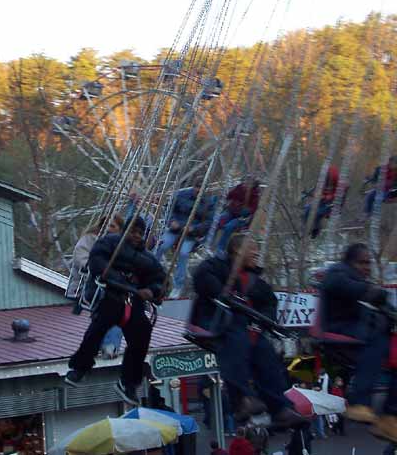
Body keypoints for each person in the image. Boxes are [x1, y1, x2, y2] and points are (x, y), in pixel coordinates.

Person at [192, 233, 305, 428]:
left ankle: (279, 408)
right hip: (219, 324)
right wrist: (224, 293)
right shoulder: (217, 267)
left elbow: (269, 302)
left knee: (267, 358)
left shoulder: (255, 281)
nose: (257, 254)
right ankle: (242, 400)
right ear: (237, 250)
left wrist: (264, 319)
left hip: (247, 328)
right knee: (236, 344)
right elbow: (202, 277)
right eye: (253, 250)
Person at [65, 216, 166, 405]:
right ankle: (80, 367)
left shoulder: (148, 257)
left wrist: (152, 291)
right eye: (132, 231)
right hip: (112, 295)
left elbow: (159, 279)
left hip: (133, 301)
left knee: (142, 336)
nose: (136, 236)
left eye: (139, 233)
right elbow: (97, 260)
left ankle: (129, 382)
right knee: (97, 330)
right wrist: (116, 279)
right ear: (125, 231)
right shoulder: (110, 243)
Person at [321, 242, 397, 440]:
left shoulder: (355, 279)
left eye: (369, 263)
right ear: (350, 261)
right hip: (339, 329)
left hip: (358, 328)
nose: (367, 268)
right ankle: (359, 403)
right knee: (377, 339)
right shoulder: (337, 272)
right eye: (363, 263)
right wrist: (372, 292)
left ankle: (389, 417)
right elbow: (338, 284)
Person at [66, 214, 125, 359]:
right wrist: (97, 268)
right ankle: (108, 345)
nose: (109, 230)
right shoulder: (91, 239)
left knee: (119, 309)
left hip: (113, 285)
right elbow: (80, 257)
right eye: (107, 226)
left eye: (113, 227)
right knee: (112, 306)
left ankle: (105, 345)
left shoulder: (122, 244)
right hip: (90, 283)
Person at [156, 177, 214, 298]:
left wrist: (195, 229)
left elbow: (208, 222)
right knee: (162, 245)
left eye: (201, 189)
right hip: (175, 228)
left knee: (183, 253)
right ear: (194, 187)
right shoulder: (181, 195)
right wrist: (171, 221)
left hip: (190, 234)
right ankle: (151, 268)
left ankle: (178, 286)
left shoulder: (208, 203)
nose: (198, 191)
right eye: (197, 188)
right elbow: (168, 208)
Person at [216, 176, 261, 255]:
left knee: (228, 227)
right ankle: (205, 241)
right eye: (245, 182)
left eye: (248, 183)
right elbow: (230, 195)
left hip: (241, 218)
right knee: (217, 221)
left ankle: (220, 249)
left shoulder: (255, 195)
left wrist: (242, 209)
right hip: (232, 212)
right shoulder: (239, 188)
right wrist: (226, 198)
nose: (245, 184)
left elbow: (251, 210)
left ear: (253, 185)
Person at [303, 165, 347, 238]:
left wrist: (330, 197)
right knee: (307, 209)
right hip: (323, 201)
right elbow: (319, 192)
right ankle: (307, 229)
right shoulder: (322, 180)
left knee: (318, 213)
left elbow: (342, 192)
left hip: (333, 203)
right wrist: (315, 195)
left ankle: (316, 230)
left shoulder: (337, 180)